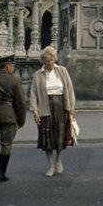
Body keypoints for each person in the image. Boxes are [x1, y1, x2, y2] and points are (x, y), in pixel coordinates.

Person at [29, 46, 76, 177]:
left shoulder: (62, 71)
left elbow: (69, 88)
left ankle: (59, 160)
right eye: (47, 60)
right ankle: (50, 165)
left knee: (60, 136)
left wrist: (71, 107)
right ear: (42, 61)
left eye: (51, 60)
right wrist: (35, 111)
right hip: (45, 108)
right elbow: (33, 94)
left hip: (61, 106)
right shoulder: (38, 75)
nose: (49, 62)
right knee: (47, 138)